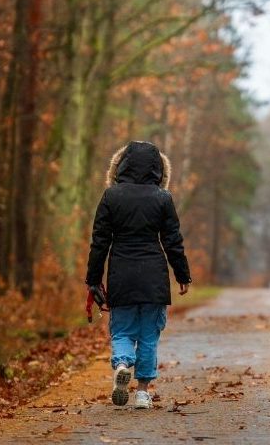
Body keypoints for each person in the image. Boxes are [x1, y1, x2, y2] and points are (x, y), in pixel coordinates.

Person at [85, 141, 192, 409]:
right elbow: (172, 240)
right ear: (158, 169)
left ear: (121, 166)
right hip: (153, 277)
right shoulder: (163, 198)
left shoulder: (111, 197)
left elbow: (100, 242)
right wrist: (182, 274)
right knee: (148, 336)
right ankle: (143, 393)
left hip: (121, 274)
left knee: (122, 331)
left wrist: (93, 279)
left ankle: (122, 364)